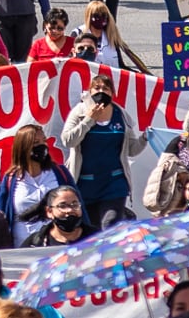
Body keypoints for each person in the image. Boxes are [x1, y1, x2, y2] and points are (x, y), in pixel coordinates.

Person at [59, 70, 146, 229]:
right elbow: (68, 140)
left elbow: (132, 150)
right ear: (90, 92)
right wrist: (89, 120)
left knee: (110, 225)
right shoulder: (79, 112)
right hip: (85, 184)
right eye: (97, 88)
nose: (101, 92)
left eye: (105, 89)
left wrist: (145, 138)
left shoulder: (120, 114)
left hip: (114, 183)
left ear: (112, 93)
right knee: (91, 231)